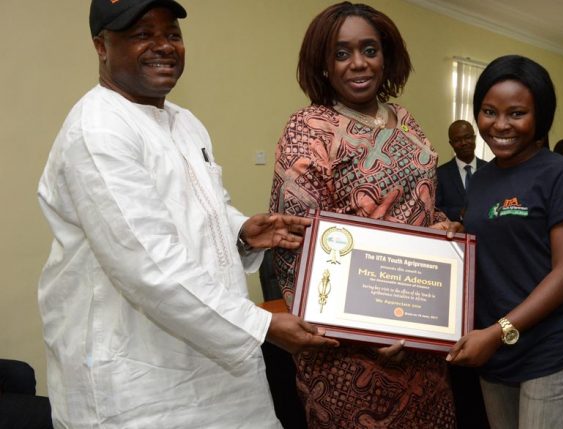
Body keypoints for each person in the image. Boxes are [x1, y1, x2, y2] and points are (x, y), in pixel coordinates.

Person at [37, 1, 338, 427]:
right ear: (101, 46)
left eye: (172, 34)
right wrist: (262, 325)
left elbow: (198, 208)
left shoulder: (185, 122)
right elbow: (148, 264)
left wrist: (241, 231)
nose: (163, 46)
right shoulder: (98, 129)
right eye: (143, 34)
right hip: (140, 384)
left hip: (222, 374)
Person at [269, 2, 460, 427]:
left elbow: (419, 203)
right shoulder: (308, 128)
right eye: (341, 53)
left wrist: (444, 229)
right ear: (322, 63)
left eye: (369, 49)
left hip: (420, 337)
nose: (358, 63)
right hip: (349, 354)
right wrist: (369, 329)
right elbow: (295, 243)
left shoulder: (407, 121)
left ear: (386, 55)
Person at [446, 55, 563, 429]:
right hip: (495, 351)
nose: (500, 125)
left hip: (549, 347)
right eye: (488, 111)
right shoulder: (479, 179)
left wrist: (498, 333)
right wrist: (454, 238)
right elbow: (494, 243)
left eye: (516, 113)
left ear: (540, 116)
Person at [436, 119, 488, 221]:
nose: (463, 143)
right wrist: (460, 213)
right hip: (455, 234)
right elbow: (435, 209)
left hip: (486, 232)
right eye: (457, 140)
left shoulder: (490, 170)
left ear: (474, 138)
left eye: (467, 137)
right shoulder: (440, 174)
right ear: (451, 144)